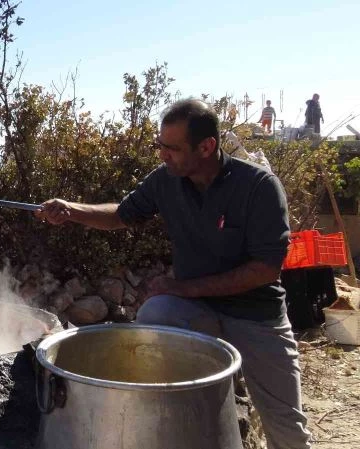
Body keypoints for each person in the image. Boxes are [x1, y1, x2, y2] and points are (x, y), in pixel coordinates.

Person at [35, 99, 311, 449]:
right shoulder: (166, 181)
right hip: (198, 310)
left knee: (287, 428)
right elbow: (122, 214)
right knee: (157, 312)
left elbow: (265, 269)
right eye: (160, 146)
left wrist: (183, 287)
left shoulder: (258, 187)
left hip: (257, 316)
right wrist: (72, 210)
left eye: (172, 148)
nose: (163, 155)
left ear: (207, 146)